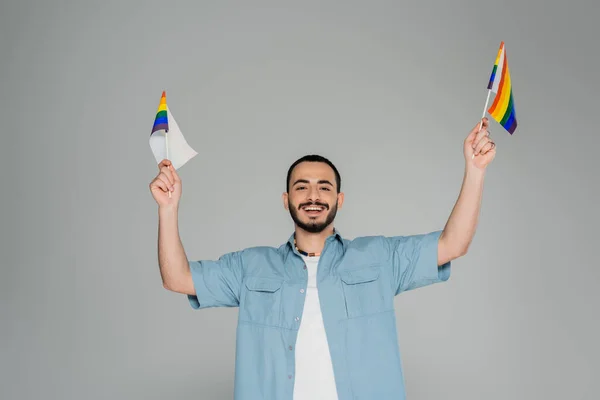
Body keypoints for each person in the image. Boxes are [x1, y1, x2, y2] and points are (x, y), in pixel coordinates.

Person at [149, 118, 496, 400]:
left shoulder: (380, 258)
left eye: (324, 187)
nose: (313, 195)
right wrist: (168, 209)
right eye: (301, 187)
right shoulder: (249, 267)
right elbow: (177, 278)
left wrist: (475, 170)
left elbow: (453, 243)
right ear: (286, 200)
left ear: (339, 199)